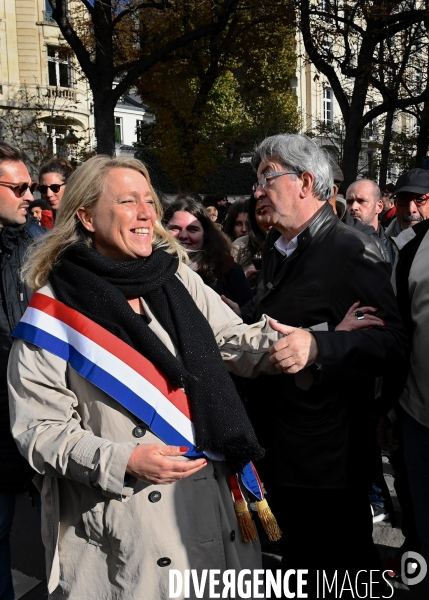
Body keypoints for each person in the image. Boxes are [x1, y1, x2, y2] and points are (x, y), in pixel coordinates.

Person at [8, 155, 290, 599]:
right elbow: (39, 431)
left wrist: (315, 342)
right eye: (126, 201)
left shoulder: (173, 276)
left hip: (214, 503)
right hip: (130, 523)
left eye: (148, 201)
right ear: (85, 216)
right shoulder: (52, 311)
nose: (146, 214)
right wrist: (124, 460)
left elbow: (231, 338)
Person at [249, 134, 406, 594]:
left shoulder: (350, 249)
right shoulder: (279, 249)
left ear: (304, 182)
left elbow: (392, 341)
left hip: (328, 457)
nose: (258, 190)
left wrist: (320, 348)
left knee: (339, 569)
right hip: (285, 445)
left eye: (267, 178)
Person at [377, 168, 429, 585]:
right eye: (407, 198)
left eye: (422, 198)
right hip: (419, 414)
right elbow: (399, 334)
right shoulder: (410, 249)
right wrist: (390, 409)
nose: (412, 208)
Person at [0, 142, 45, 600]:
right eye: (18, 188)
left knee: (61, 535)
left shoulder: (40, 248)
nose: (29, 196)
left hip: (40, 413)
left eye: (30, 186)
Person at [163, 198, 252, 308]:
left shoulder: (228, 270)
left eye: (192, 229)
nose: (183, 236)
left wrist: (240, 314)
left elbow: (250, 310)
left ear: (206, 234)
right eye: (175, 228)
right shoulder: (152, 270)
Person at [346, 179, 394, 265]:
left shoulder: (393, 246)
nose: (353, 207)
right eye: (349, 201)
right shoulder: (337, 241)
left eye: (362, 201)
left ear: (379, 207)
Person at [231, 194, 270, 286]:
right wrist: (244, 278)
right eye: (260, 212)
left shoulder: (296, 243)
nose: (268, 218)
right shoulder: (239, 246)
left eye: (274, 209)